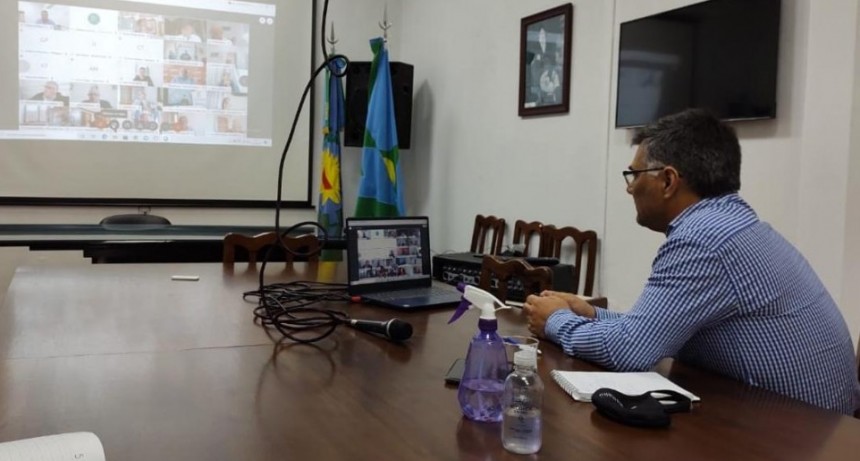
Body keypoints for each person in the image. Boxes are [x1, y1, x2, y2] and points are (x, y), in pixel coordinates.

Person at [523, 108, 860, 416]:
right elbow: (659, 328)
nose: (629, 189)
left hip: (797, 431)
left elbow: (629, 350)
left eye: (635, 174)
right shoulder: (731, 223)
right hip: (811, 423)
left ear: (668, 181)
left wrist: (554, 322)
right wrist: (593, 314)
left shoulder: (703, 239)